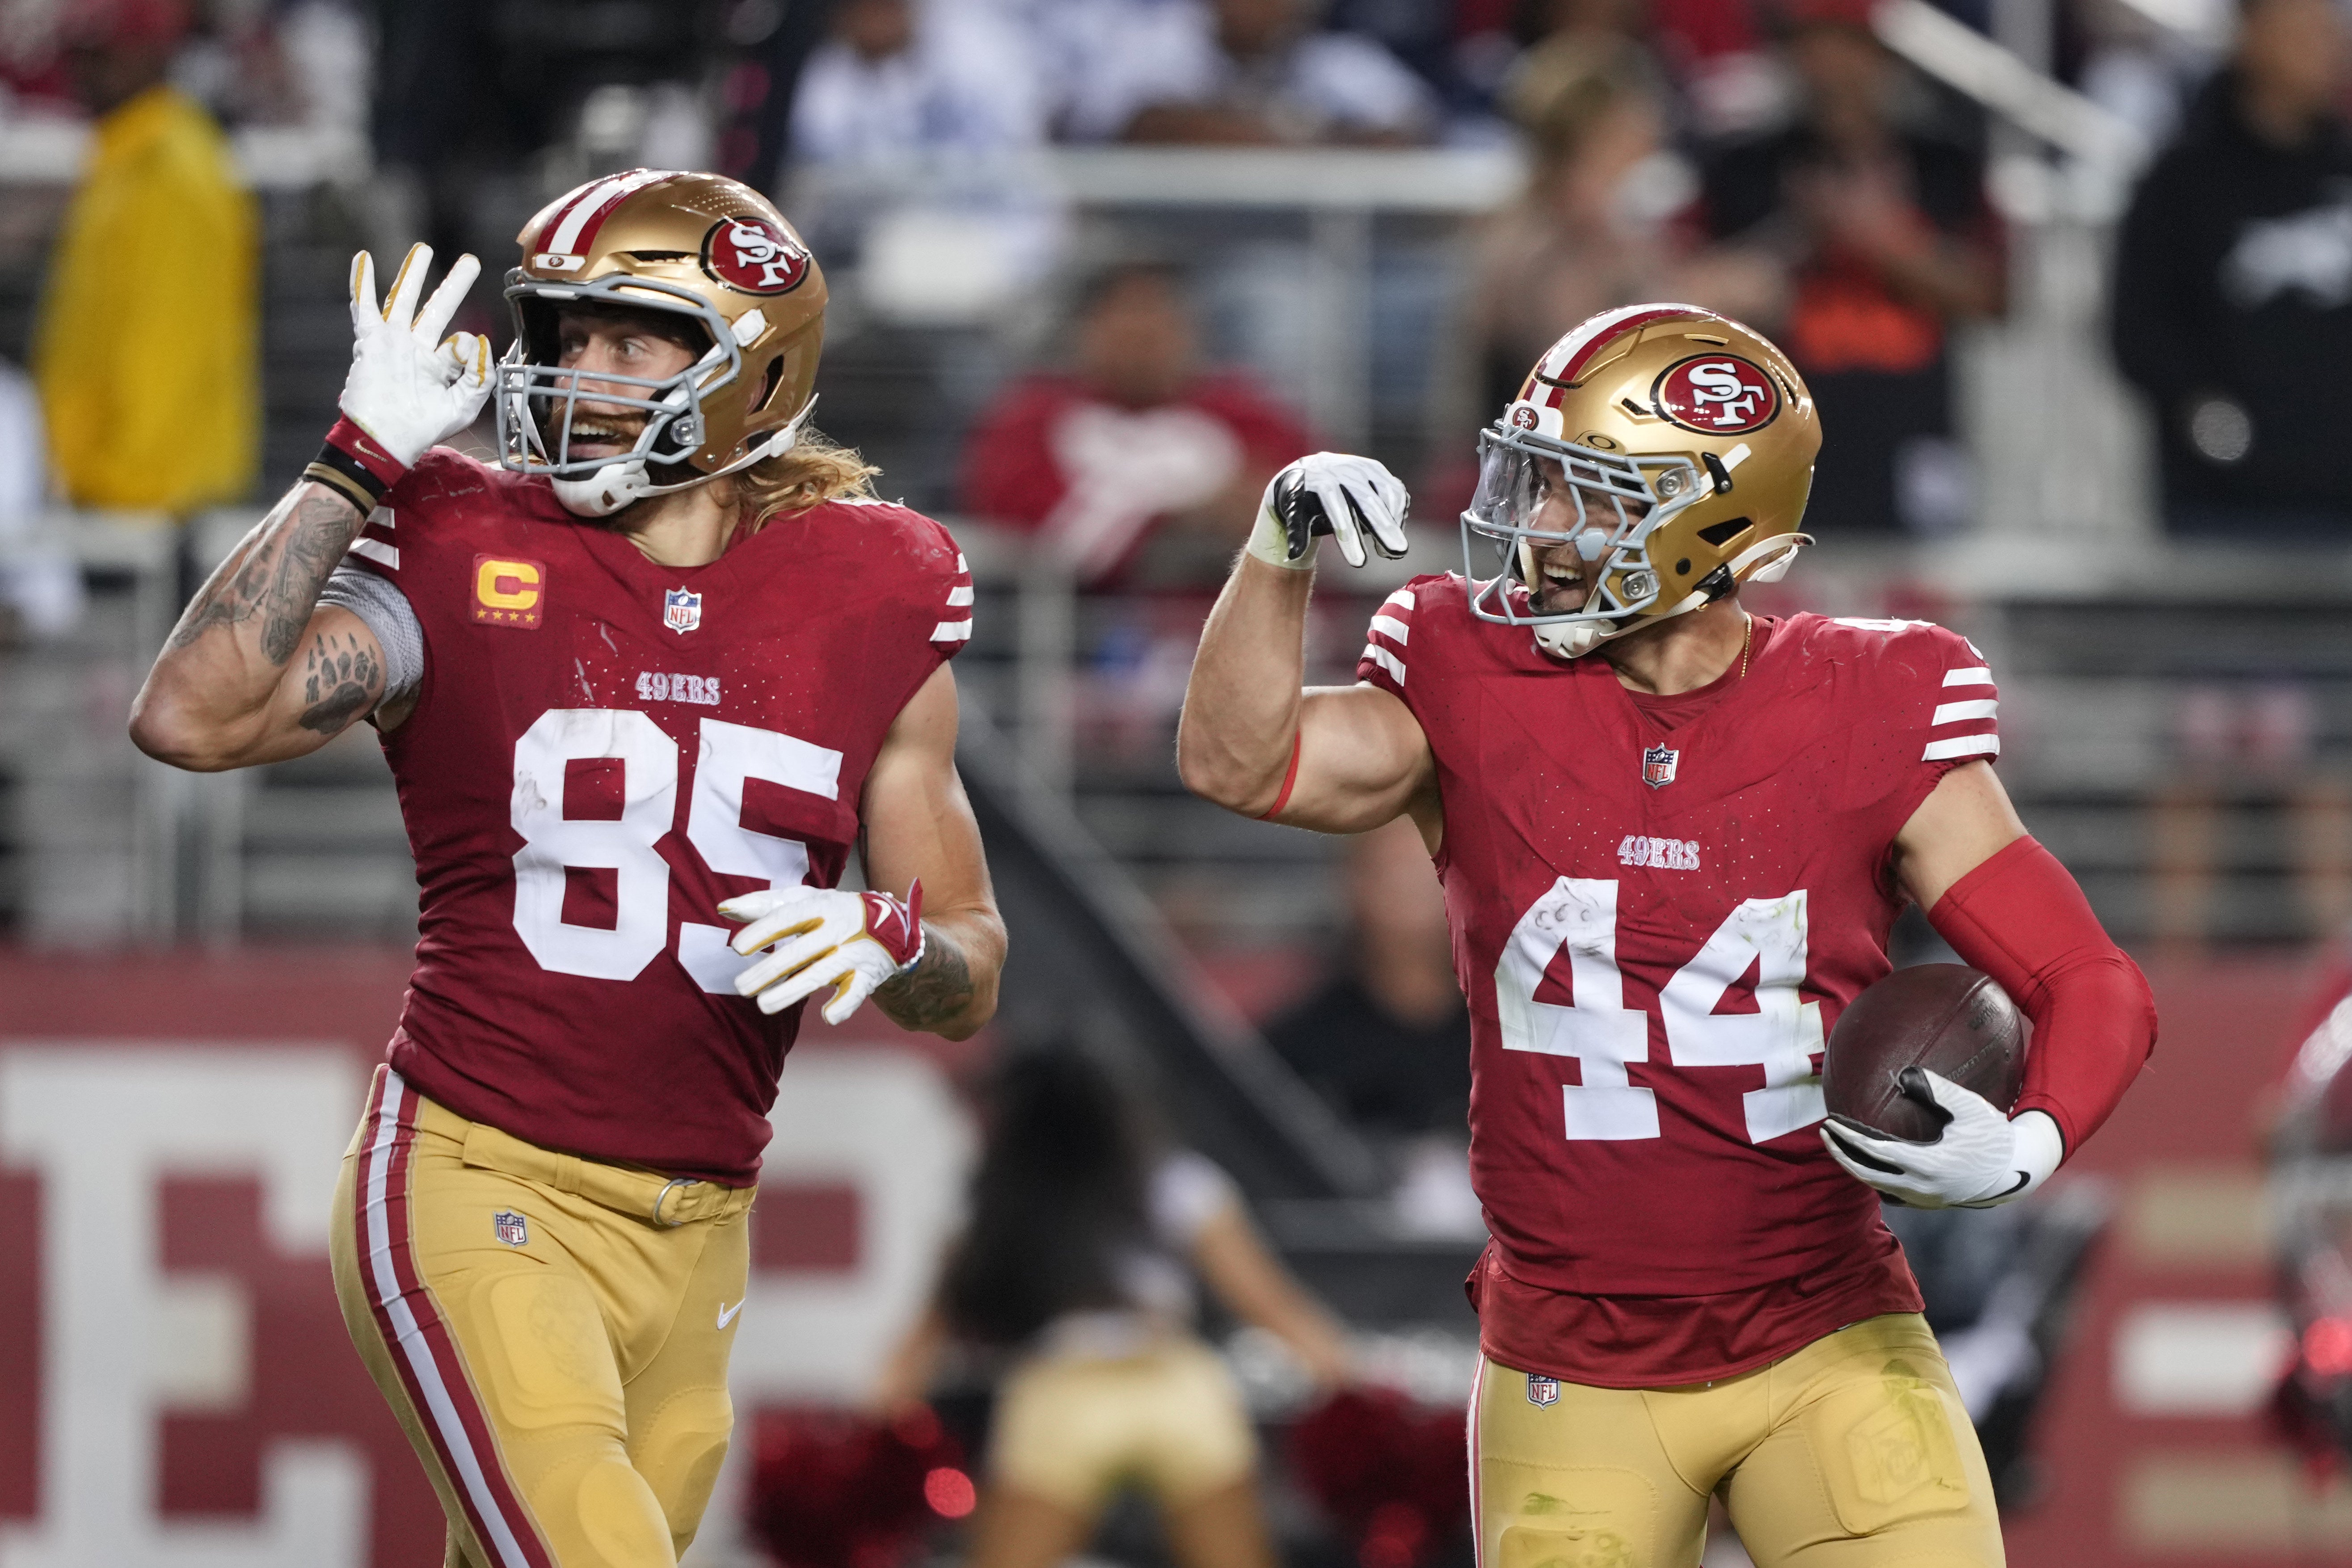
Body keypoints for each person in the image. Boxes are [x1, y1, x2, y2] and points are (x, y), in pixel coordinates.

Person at [1176, 302, 2158, 1564]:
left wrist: (2028, 1140)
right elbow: (1236, 757)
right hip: (1567, 1361)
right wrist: (1275, 549)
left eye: (1582, 496)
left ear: (1713, 520)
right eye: (1535, 485)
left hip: (1825, 1336)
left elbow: (2085, 979)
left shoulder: (1867, 698)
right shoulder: (1464, 669)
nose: (1533, 530)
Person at [127, 171, 1007, 1568]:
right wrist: (351, 459)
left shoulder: (877, 579)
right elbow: (191, 715)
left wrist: (891, 940)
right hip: (478, 1172)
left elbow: (965, 966)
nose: (575, 374)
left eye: (629, 339)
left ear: (754, 365)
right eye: (561, 335)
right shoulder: (463, 538)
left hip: (703, 1219)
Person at [873, 1046, 1352, 1568]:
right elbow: (1273, 1306)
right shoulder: (1178, 1184)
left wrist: (870, 1432)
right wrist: (1357, 1388)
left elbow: (924, 1340)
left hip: (1064, 1391)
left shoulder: (996, 1203)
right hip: (1176, 1386)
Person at [1695, 0, 2001, 537]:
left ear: (1879, 54)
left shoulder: (1945, 162)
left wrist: (1891, 244)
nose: (1827, 66)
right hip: (1771, 441)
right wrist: (1791, 244)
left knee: (1916, 607)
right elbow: (1683, 291)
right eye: (1809, 44)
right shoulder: (1743, 166)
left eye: (1841, 44)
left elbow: (1995, 296)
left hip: (1911, 433)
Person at [2110, 0, 2352, 538]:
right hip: (2224, 513)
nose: (2327, 47)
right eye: (2303, 30)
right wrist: (2216, 429)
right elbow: (2139, 332)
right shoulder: (2180, 184)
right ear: (2251, 36)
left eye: (2328, 29)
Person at [32, 0, 257, 515]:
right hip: (113, 493)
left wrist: (122, 491)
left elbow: (166, 352)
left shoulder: (168, 172)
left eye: (105, 54)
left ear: (152, 51)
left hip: (152, 507)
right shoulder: (124, 158)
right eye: (80, 54)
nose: (84, 72)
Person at [962, 262, 1314, 586]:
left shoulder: (1248, 414)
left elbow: (1314, 506)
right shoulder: (1032, 419)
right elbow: (1034, 528)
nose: (1143, 342)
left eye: (1158, 322)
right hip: (1071, 629)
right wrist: (1178, 516)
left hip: (1223, 618)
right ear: (1085, 331)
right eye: (1126, 325)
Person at [1058, 0, 1437, 145]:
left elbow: (1410, 133)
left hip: (1292, 250)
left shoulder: (1333, 59)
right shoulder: (1155, 42)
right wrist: (1311, 141)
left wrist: (1287, 142)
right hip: (1154, 252)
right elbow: (1145, 125)